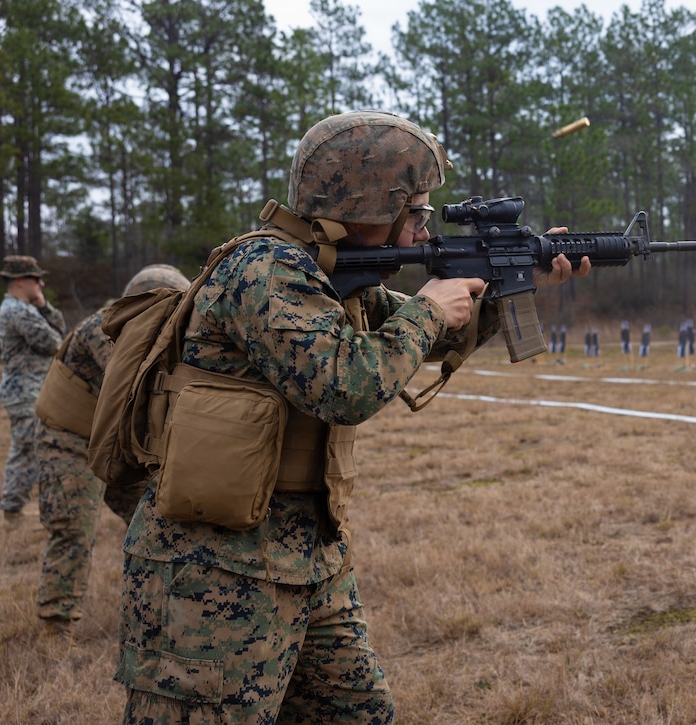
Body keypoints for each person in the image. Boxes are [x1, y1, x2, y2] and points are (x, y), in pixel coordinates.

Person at [115, 110, 590, 723]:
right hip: (212, 573)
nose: (423, 229)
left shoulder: (339, 280)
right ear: (367, 202)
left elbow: (438, 337)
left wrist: (508, 285)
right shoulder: (264, 272)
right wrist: (423, 311)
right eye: (416, 211)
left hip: (310, 557)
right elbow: (346, 387)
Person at [34, 264, 190, 637]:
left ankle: (158, 617)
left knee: (158, 523)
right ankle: (56, 627)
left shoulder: (155, 333)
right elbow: (140, 386)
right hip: (69, 439)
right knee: (74, 528)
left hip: (113, 442)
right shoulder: (102, 328)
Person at [0, 255, 66, 521]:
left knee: (29, 449)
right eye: (35, 279)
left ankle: (15, 508)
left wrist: (44, 305)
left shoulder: (23, 308)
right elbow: (55, 342)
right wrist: (41, 309)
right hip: (24, 392)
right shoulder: (17, 311)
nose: (41, 283)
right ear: (19, 281)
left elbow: (59, 331)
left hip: (30, 391)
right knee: (28, 450)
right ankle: (13, 511)